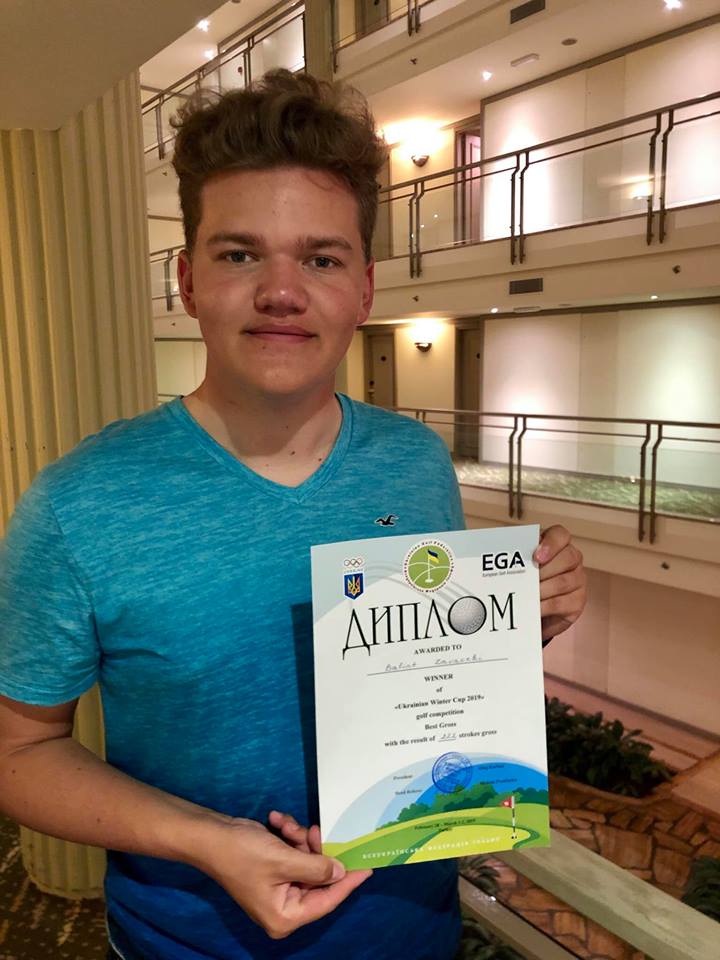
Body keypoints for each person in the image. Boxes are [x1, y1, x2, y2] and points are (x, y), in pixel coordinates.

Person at [0, 70, 587, 960]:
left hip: (416, 932)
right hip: (190, 944)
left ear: (365, 289)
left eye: (321, 258)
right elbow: (19, 752)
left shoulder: (415, 462)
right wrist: (206, 840)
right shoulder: (79, 504)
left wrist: (515, 626)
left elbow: (421, 671)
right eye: (241, 255)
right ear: (188, 280)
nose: (282, 291)